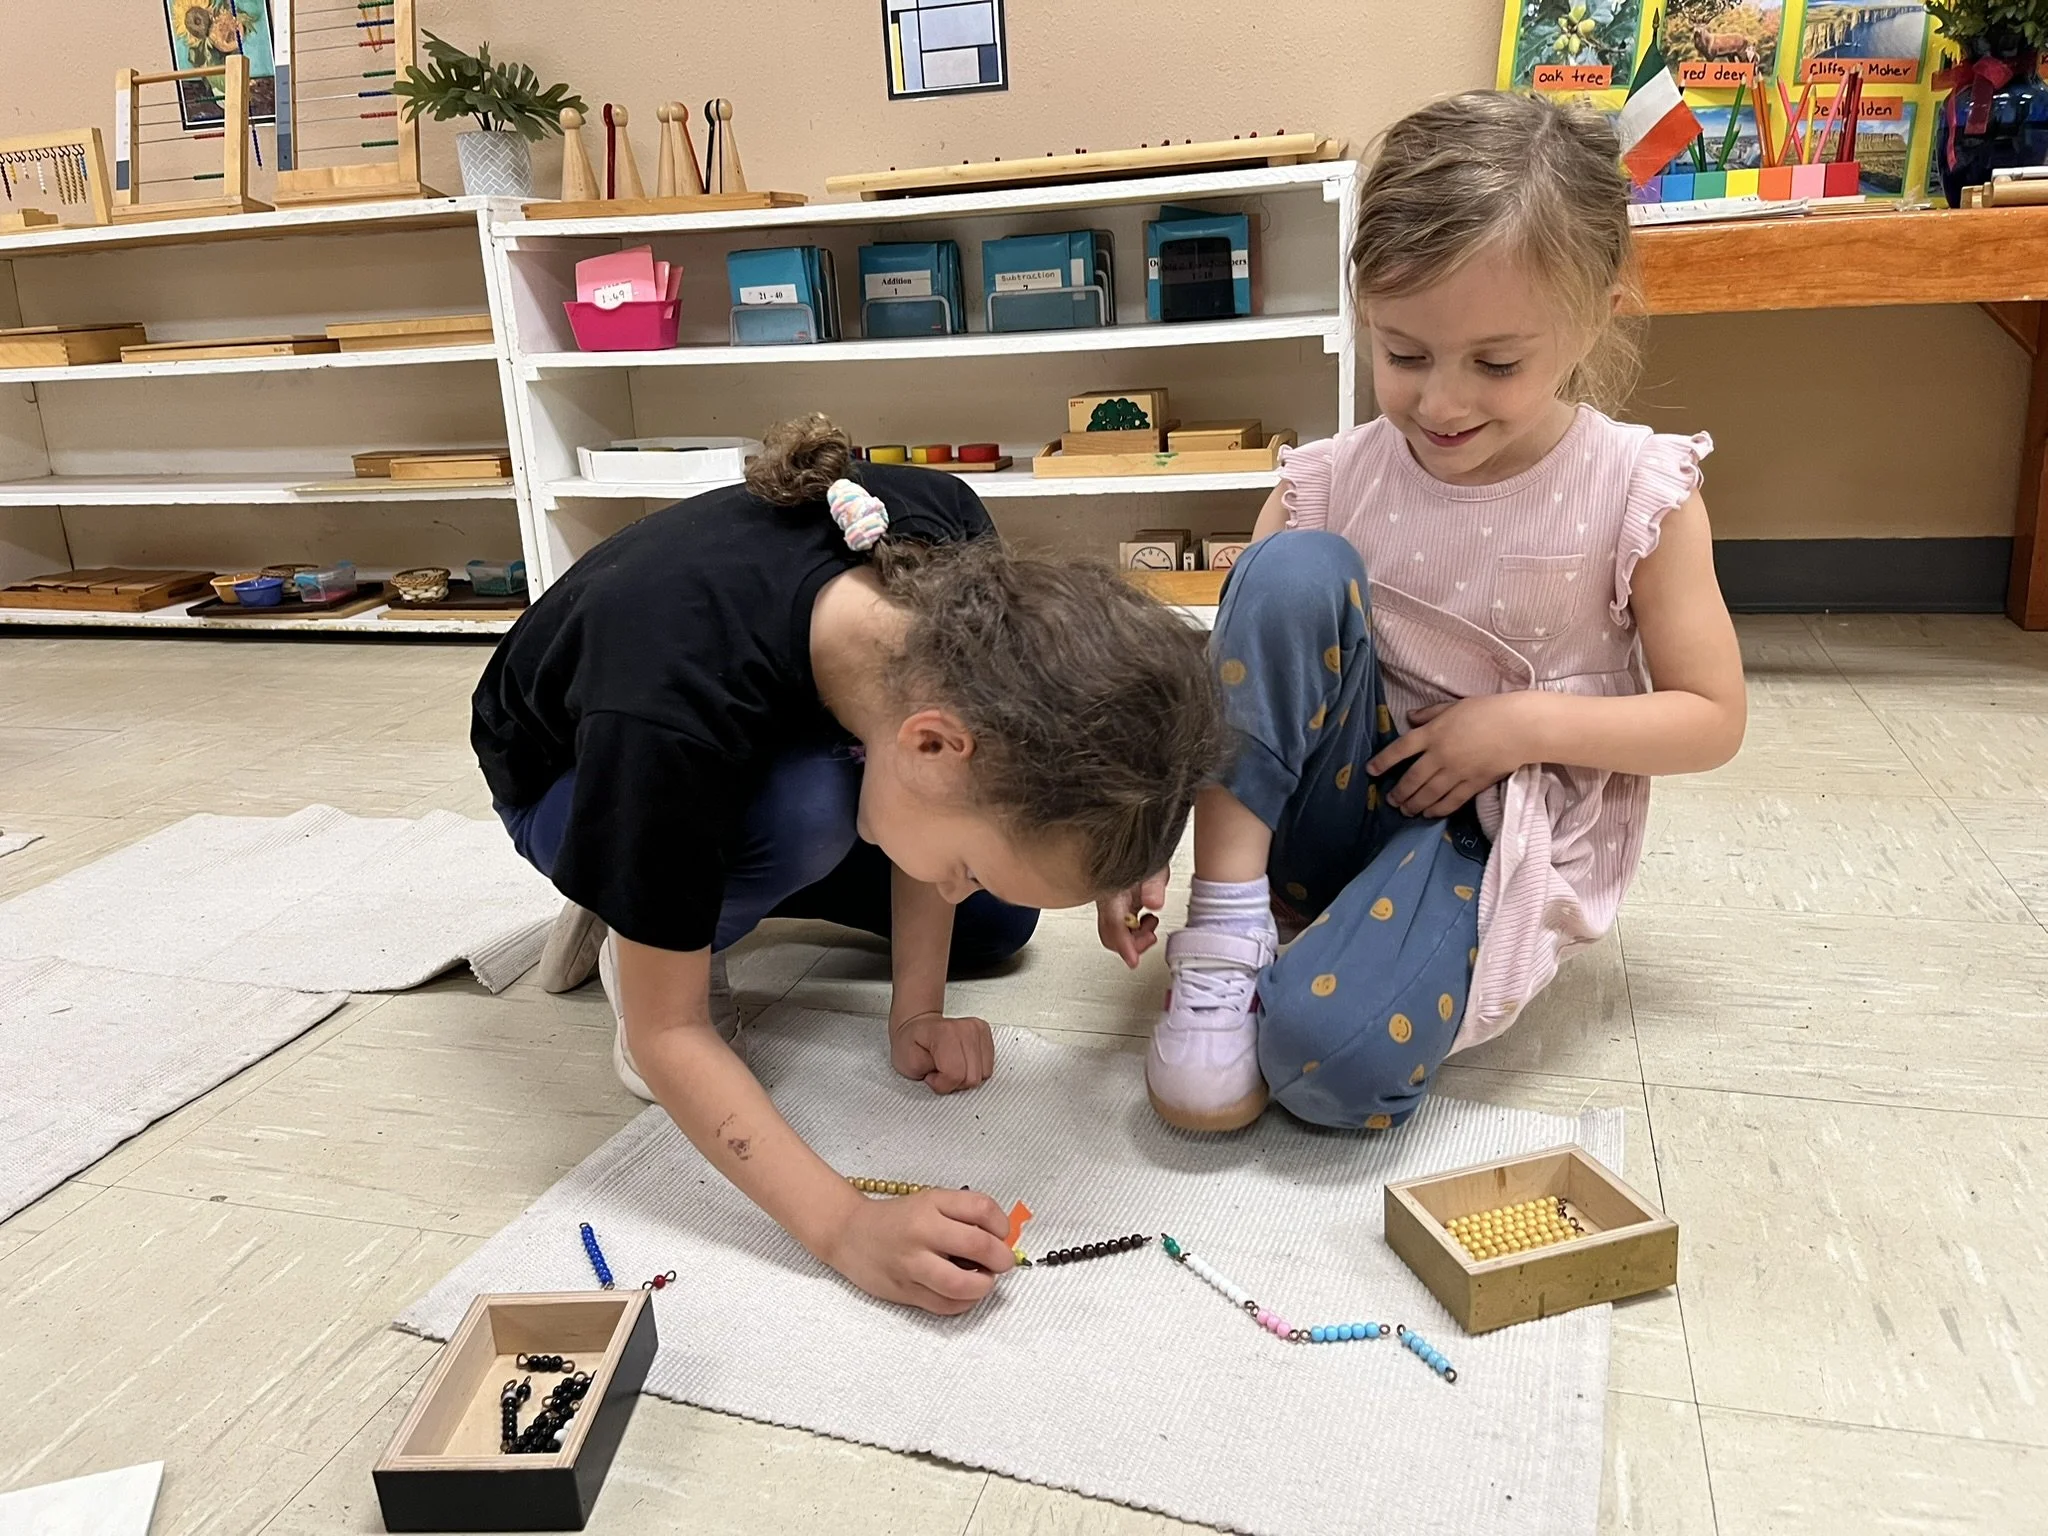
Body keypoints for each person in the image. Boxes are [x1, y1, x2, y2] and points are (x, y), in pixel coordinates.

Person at [473, 415, 1229, 1312]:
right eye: (965, 864)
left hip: (769, 740)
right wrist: (846, 1227)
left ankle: (676, 881)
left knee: (998, 923)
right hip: (572, 778)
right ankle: (639, 907)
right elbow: (666, 1037)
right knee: (807, 814)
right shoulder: (667, 703)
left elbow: (1009, 763)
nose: (956, 881)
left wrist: (923, 1006)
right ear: (930, 745)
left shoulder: (953, 550)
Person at [1134, 91, 1747, 1134]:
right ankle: (1231, 931)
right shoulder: (1328, 479)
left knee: (1327, 1062)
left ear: (1596, 315)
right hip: (1322, 811)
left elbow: (1710, 718)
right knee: (1286, 568)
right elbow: (1232, 685)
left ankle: (1331, 955)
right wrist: (1146, 830)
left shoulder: (1637, 489)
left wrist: (1518, 725)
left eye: (1495, 364)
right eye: (1403, 354)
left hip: (1484, 837)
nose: (1439, 403)